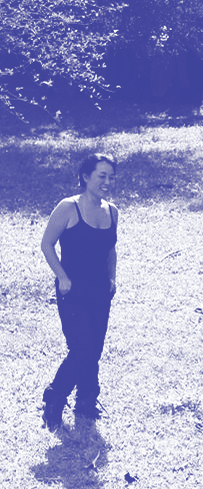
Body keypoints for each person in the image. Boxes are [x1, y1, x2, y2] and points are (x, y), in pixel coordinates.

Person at [40, 153, 119, 430]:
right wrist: (62, 277)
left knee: (94, 347)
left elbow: (110, 249)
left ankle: (86, 400)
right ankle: (54, 397)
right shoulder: (68, 207)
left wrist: (112, 278)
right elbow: (46, 244)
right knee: (82, 347)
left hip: (100, 290)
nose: (107, 182)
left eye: (111, 177)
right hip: (72, 289)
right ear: (85, 177)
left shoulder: (112, 211)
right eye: (101, 176)